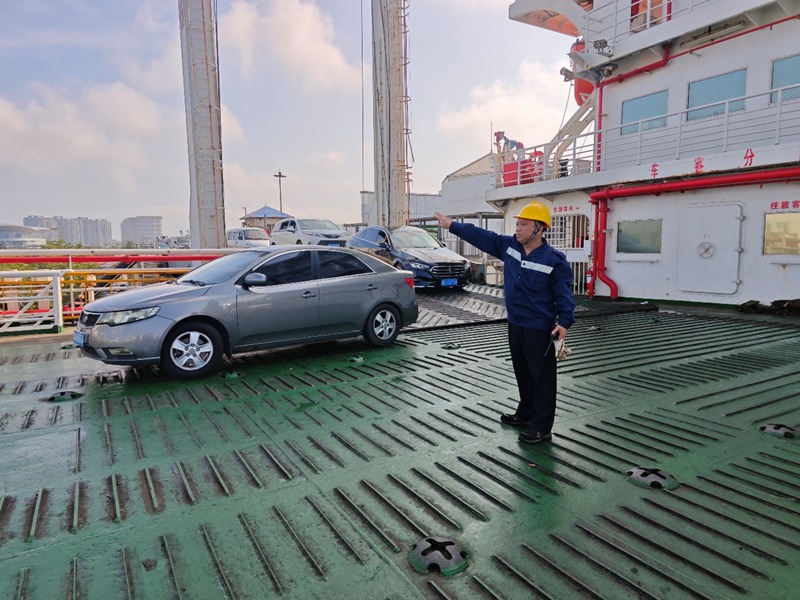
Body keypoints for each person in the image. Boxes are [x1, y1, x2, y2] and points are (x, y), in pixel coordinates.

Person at [434, 202, 576, 446]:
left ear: (539, 228)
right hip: (515, 323)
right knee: (523, 372)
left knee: (542, 378)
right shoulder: (509, 247)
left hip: (539, 327)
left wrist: (564, 322)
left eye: (524, 224)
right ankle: (526, 412)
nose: (517, 228)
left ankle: (542, 426)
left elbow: (563, 293)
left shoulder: (554, 260)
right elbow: (482, 236)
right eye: (517, 224)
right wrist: (452, 226)